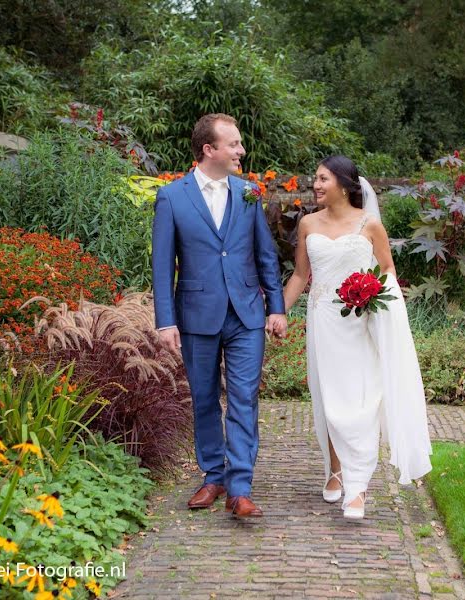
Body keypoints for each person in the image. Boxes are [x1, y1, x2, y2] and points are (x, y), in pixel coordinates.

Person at [152, 113, 288, 519]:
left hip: (246, 314)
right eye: (234, 144)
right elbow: (162, 265)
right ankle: (213, 476)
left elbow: (266, 255)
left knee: (245, 399)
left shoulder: (249, 194)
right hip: (196, 314)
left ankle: (239, 488)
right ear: (209, 149)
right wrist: (165, 320)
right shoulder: (172, 198)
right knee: (206, 399)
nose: (241, 151)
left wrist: (276, 307)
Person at [282, 155, 432, 520]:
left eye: (323, 179)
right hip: (323, 321)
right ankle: (335, 470)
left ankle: (359, 485)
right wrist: (277, 313)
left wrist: (372, 294)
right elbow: (302, 276)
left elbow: (387, 271)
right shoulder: (307, 224)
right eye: (315, 179)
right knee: (328, 396)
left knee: (361, 398)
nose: (315, 185)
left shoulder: (370, 225)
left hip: (359, 320)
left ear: (346, 185)